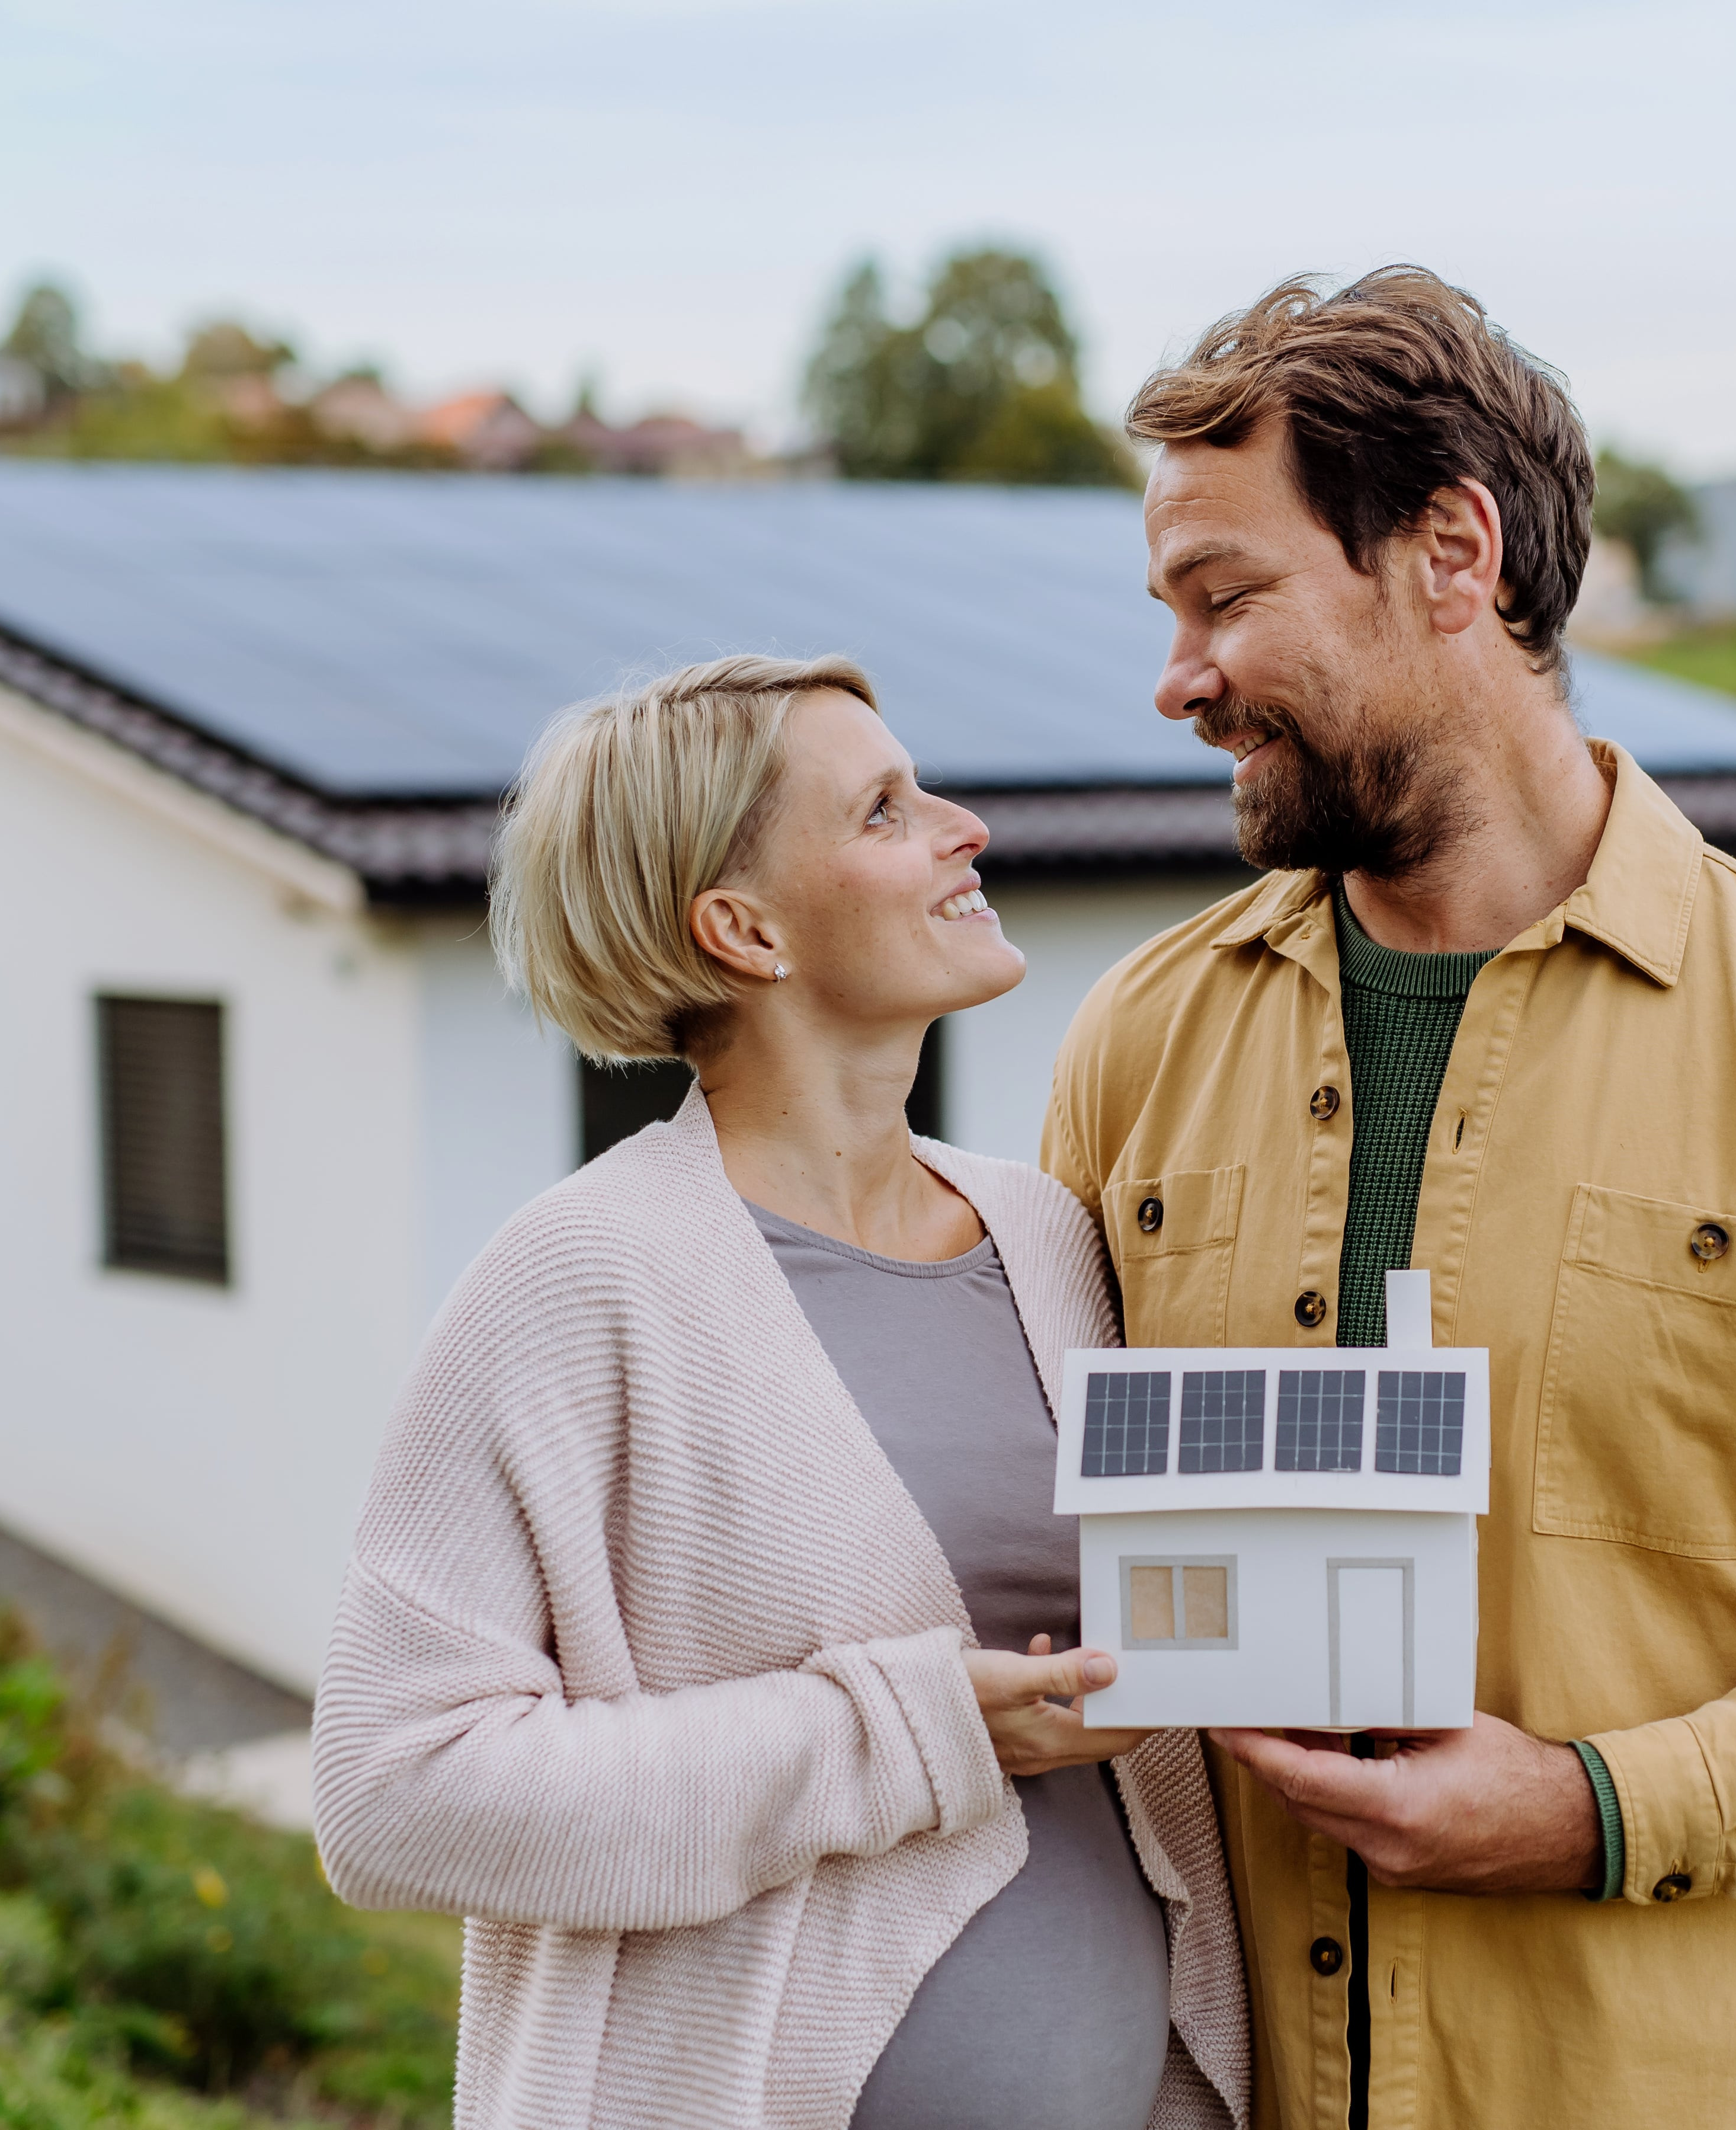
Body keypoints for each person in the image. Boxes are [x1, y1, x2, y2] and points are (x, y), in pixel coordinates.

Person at [1042, 270, 1736, 2126]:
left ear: (1452, 551)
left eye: (1227, 597)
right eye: (1173, 613)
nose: (1181, 679)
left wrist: (1605, 1810)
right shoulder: (1138, 1045)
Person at [312, 655, 1248, 2130]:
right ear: (741, 928)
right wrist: (914, 1731)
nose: (965, 830)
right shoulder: (580, 1282)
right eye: (885, 810)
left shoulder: (1056, 1239)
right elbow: (390, 1794)